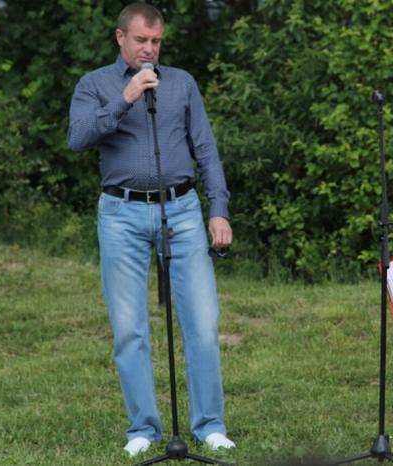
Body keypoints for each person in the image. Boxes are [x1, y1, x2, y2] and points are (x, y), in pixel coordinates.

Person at [67, 3, 235, 457]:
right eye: (141, 40)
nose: (149, 49)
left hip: (181, 210)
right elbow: (77, 138)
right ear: (120, 37)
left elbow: (206, 149)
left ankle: (210, 425)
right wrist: (125, 98)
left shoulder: (181, 83)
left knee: (202, 322)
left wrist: (218, 209)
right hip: (120, 214)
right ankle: (142, 428)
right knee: (129, 329)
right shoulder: (94, 85)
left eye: (156, 41)